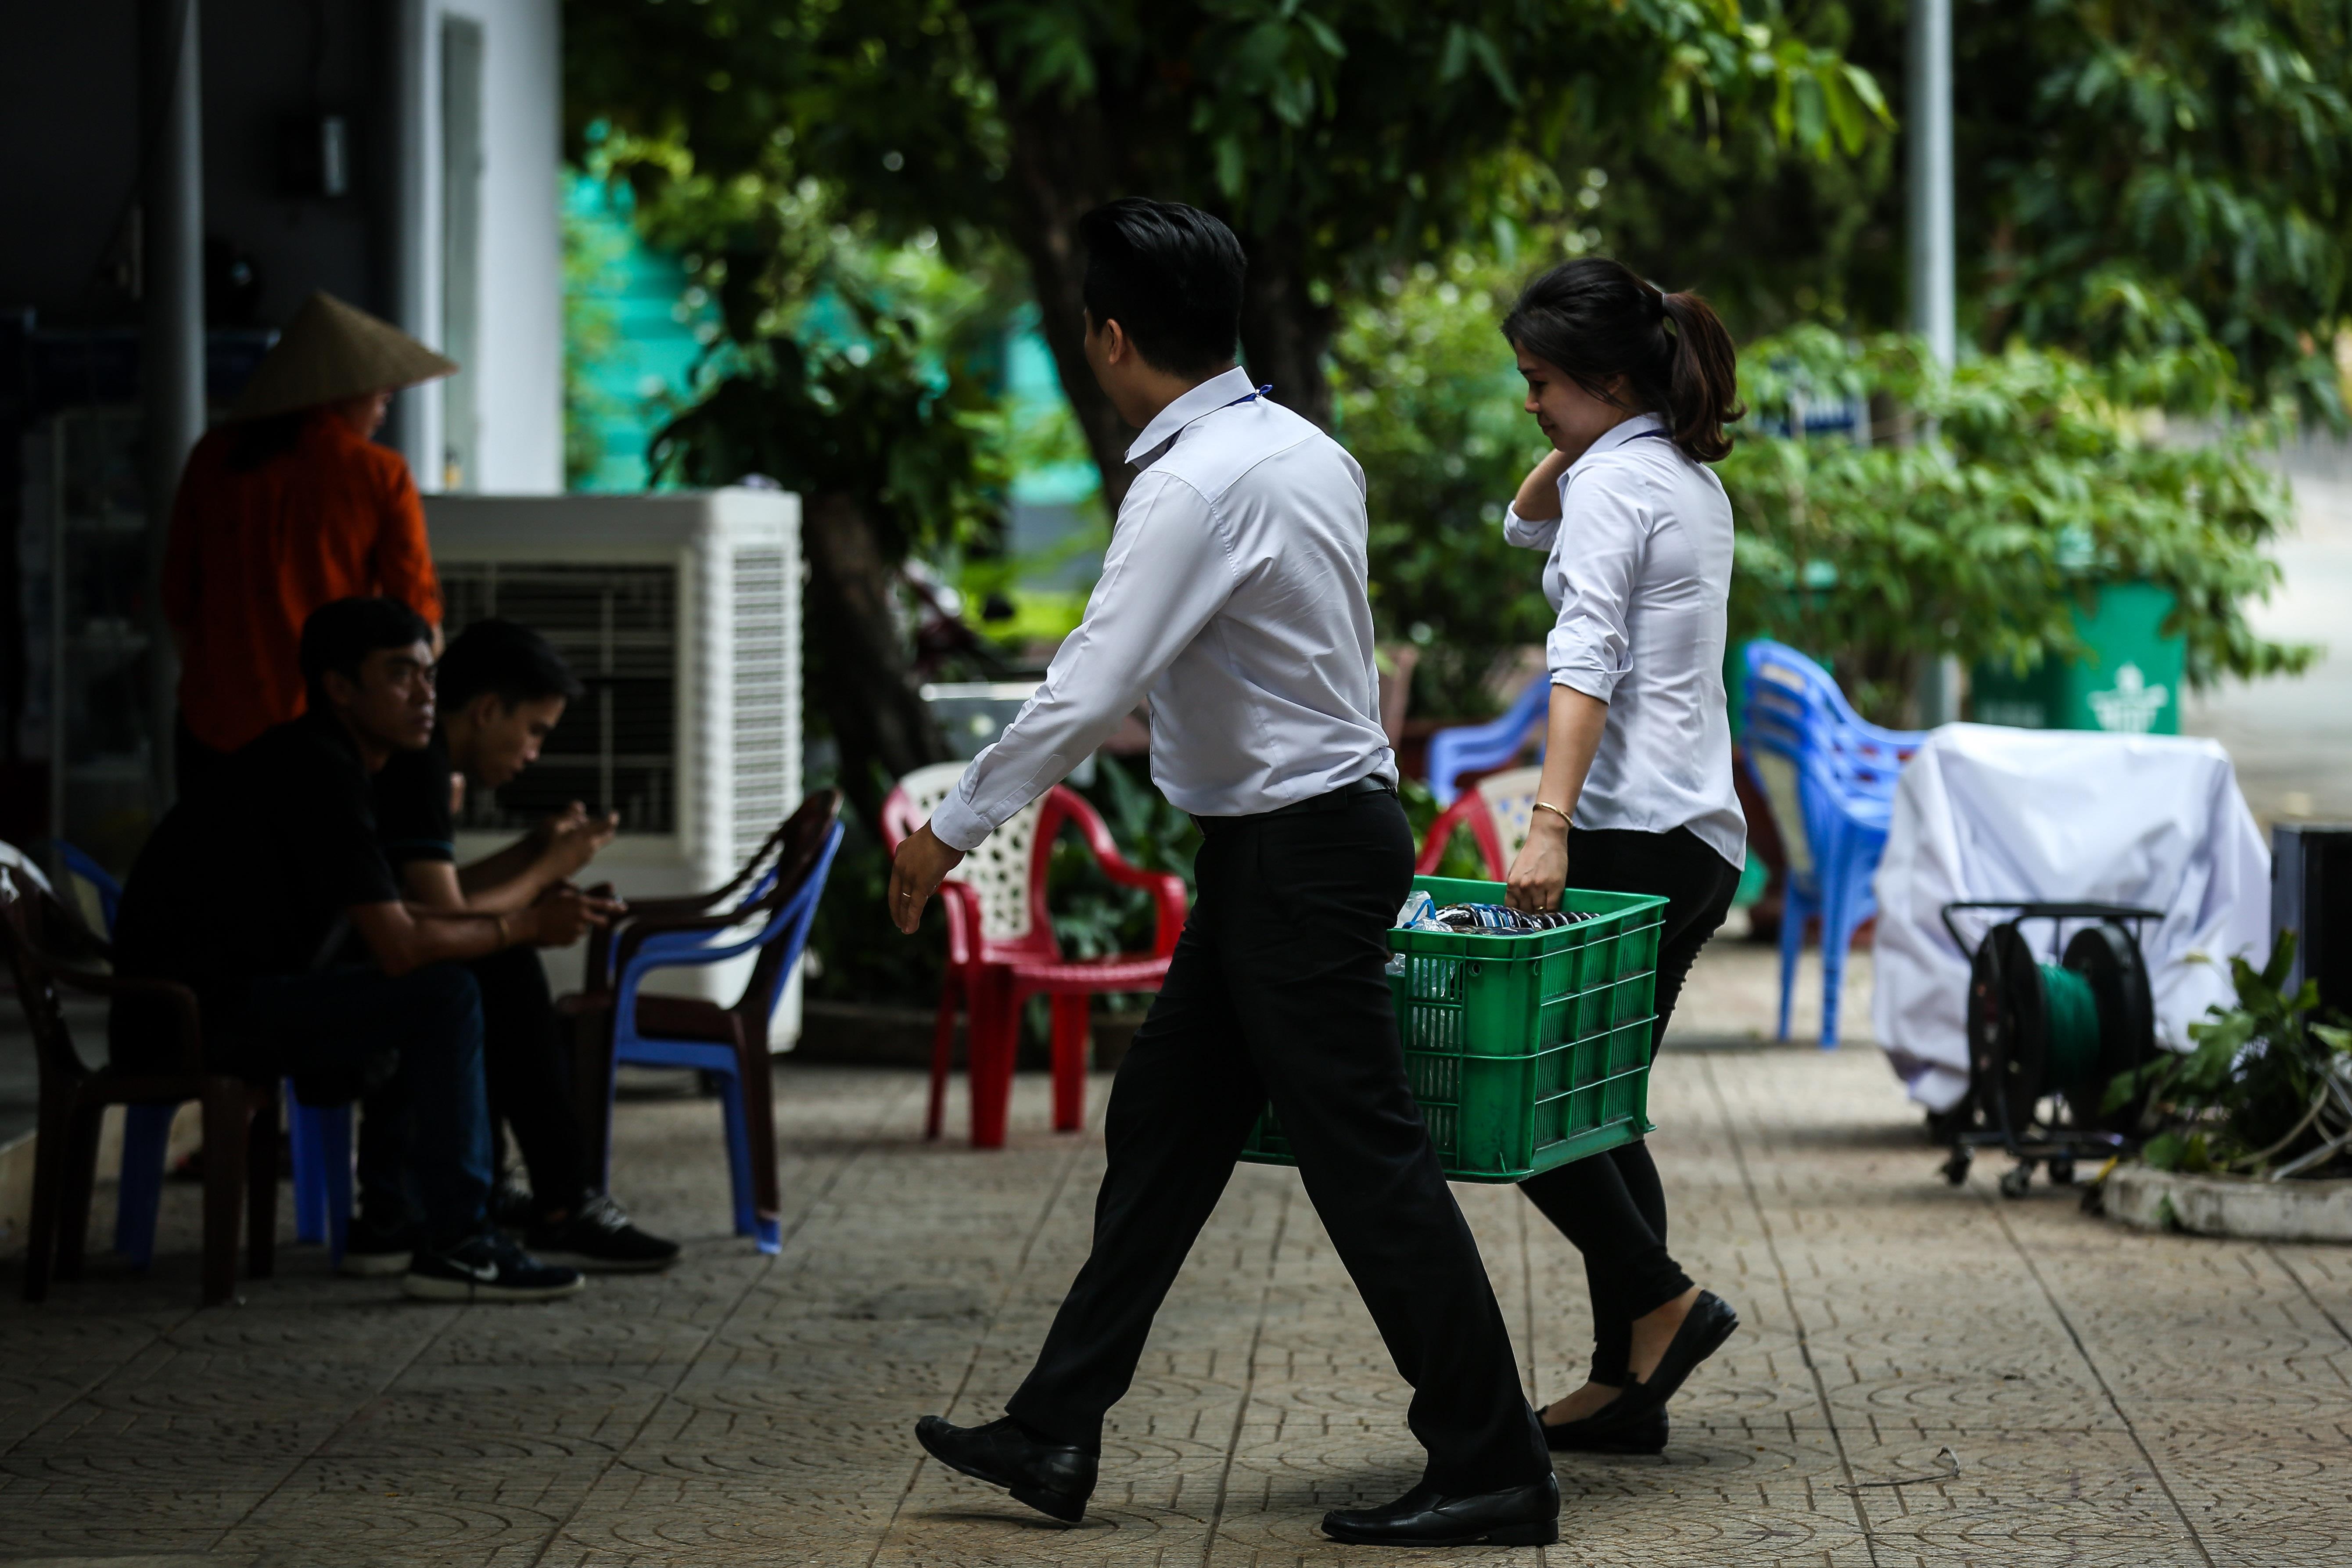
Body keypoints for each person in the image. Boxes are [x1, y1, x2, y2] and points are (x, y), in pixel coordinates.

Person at [890, 199, 1558, 1548]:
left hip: (1299, 850)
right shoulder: (1303, 450)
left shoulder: (1191, 480)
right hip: (1296, 840)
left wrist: (950, 823)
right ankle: (1055, 1427)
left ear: (1111, 336)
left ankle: (1494, 1461)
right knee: (1166, 1127)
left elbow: (1091, 682)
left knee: (1363, 1159)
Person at [108, 597, 609, 1302]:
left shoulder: (341, 764)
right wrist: (526, 922)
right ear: (341, 688)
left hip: (234, 1001)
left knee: (434, 981)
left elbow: (407, 921)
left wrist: (530, 885)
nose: (427, 696)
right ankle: (460, 1237)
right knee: (441, 992)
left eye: (430, 676)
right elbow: (404, 943)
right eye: (402, 676)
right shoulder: (315, 769)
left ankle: (394, 1220)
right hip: (189, 1020)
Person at [1493, 258, 1748, 1454]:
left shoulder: (1617, 485)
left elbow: (1582, 654)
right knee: (1596, 1114)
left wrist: (1546, 822)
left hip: (1623, 834)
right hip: (1692, 839)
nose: (1528, 405)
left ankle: (1661, 1301)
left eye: (1539, 382)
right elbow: (1517, 517)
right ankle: (1624, 1381)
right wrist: (1602, 418)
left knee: (1524, 1103)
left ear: (1600, 377)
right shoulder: (1679, 477)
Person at [349, 617, 679, 1274]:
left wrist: (537, 857)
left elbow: (433, 903)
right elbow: (441, 918)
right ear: (487, 709)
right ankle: (561, 1198)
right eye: (533, 731)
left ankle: (534, 1191)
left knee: (497, 958)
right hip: (335, 978)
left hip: (367, 952)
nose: (533, 753)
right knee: (500, 963)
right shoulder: (418, 765)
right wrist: (542, 878)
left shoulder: (423, 763)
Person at [163, 291, 454, 795]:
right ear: (340, 393)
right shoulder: (378, 474)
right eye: (381, 399)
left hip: (217, 725)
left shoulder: (214, 460)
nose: (383, 415)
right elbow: (415, 617)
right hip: (332, 730)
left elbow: (177, 597)